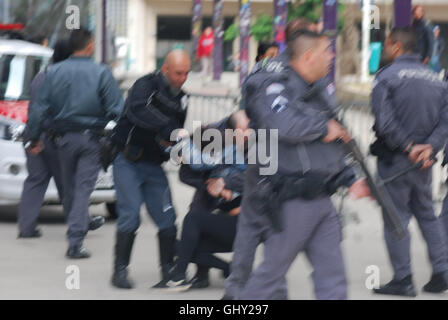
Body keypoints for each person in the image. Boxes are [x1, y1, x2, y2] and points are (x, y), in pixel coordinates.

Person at [232, 30, 371, 300]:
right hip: (289, 198)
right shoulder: (272, 84)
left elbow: (331, 141)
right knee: (268, 280)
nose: (332, 56)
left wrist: (349, 177)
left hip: (321, 198)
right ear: (308, 56)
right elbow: (282, 124)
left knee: (333, 279)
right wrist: (323, 127)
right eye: (326, 51)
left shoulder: (319, 89)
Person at [225, 18, 316, 300]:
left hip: (262, 155)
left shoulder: (263, 68)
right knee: (276, 226)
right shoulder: (302, 72)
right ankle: (274, 291)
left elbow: (245, 109)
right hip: (286, 161)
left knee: (251, 226)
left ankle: (236, 290)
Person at [25, 28, 124, 259]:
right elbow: (117, 109)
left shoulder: (53, 72)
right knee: (82, 189)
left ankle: (76, 231)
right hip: (91, 139)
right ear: (89, 45)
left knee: (70, 189)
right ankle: (75, 242)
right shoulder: (101, 72)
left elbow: (39, 109)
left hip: (62, 140)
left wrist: (33, 138)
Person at [370, 27, 448, 297]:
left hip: (395, 160)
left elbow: (385, 122)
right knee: (427, 214)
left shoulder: (386, 77)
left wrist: (408, 146)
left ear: (395, 46)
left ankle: (403, 279)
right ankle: (442, 271)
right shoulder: (437, 80)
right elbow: (445, 122)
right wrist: (429, 148)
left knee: (396, 219)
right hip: (424, 163)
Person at [109, 50, 190, 289]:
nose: (183, 78)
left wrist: (176, 147)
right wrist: (167, 130)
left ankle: (168, 270)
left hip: (154, 165)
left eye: (186, 73)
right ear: (165, 69)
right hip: (128, 161)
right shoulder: (145, 85)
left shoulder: (183, 98)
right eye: (178, 73)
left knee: (168, 218)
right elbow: (137, 112)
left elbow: (176, 133)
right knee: (130, 215)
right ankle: (120, 270)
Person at [18, 39, 105, 239]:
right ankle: (80, 223)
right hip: (56, 138)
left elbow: (35, 112)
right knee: (69, 184)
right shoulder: (65, 79)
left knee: (35, 180)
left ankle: (26, 227)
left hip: (35, 135)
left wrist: (32, 138)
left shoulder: (41, 76)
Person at [163, 111, 250, 292]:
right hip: (222, 215)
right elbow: (186, 174)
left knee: (193, 221)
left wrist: (224, 183)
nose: (248, 133)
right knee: (181, 242)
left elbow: (255, 179)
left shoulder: (256, 146)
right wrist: (209, 185)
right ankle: (214, 272)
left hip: (245, 224)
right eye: (244, 130)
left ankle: (180, 277)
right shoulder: (211, 139)